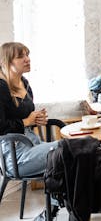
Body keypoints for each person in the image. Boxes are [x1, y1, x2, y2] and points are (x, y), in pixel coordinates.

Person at [0, 42, 59, 178]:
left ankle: (63, 199)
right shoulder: (1, 87)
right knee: (68, 148)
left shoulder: (24, 83)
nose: (27, 59)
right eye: (21, 57)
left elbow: (23, 117)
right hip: (15, 156)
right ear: (6, 62)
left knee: (76, 151)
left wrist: (36, 119)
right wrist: (26, 121)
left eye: (27, 55)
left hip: (33, 143)